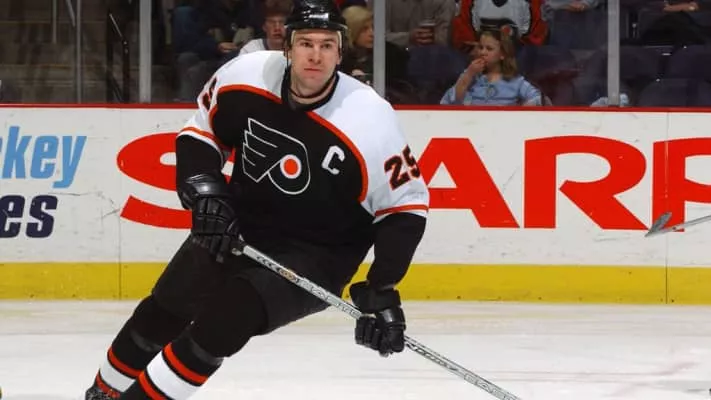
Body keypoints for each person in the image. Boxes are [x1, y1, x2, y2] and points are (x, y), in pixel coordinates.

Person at [83, 0, 429, 399]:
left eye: (327, 45)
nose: (316, 56)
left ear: (340, 52)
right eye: (306, 43)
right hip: (238, 226)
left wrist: (381, 288)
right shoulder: (246, 75)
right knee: (163, 309)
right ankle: (102, 393)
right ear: (288, 46)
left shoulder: (369, 118)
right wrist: (205, 191)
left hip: (318, 255)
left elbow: (404, 209)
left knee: (222, 322)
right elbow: (201, 134)